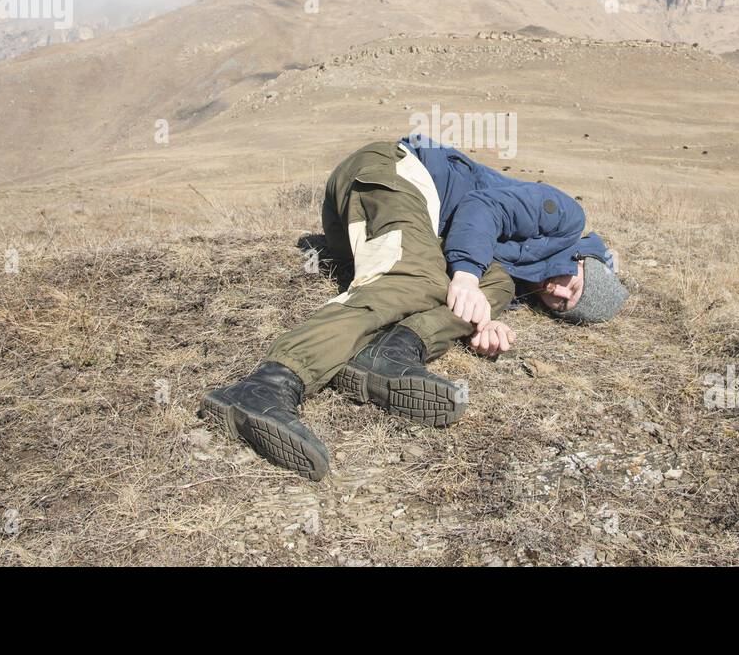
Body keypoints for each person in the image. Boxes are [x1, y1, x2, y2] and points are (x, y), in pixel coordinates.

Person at [200, 134, 629, 479]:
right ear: (584, 262)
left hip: (398, 220)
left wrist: (483, 323)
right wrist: (464, 275)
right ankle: (268, 384)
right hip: (391, 173)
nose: (556, 294)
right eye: (572, 288)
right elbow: (483, 208)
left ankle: (391, 351)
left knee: (494, 285)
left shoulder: (526, 277)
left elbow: (488, 280)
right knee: (419, 278)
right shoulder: (565, 218)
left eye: (561, 306)